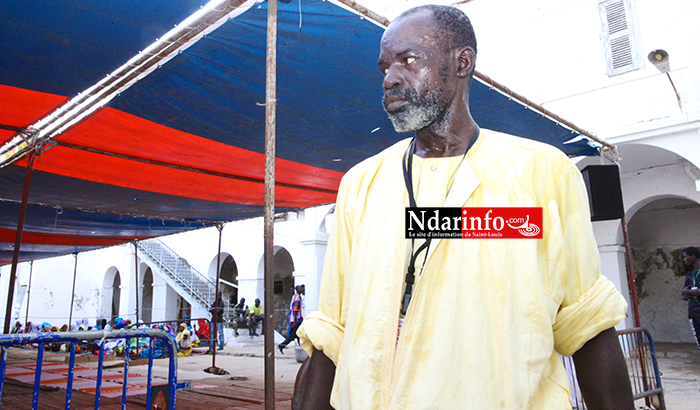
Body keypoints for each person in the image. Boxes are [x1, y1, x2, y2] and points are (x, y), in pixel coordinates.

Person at [294, 5, 633, 410]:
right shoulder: (361, 185)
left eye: (408, 59)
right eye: (384, 66)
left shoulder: (540, 173)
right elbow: (332, 329)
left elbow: (588, 325)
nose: (389, 78)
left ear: (462, 62)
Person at [682, 246, 700, 348]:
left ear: (692, 256)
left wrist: (688, 291)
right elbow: (684, 296)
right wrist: (688, 292)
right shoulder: (689, 275)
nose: (684, 260)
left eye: (685, 257)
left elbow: (686, 291)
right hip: (693, 313)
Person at [278, 285, 304, 354]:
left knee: (298, 334)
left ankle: (302, 348)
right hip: (296, 319)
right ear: (297, 289)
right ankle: (282, 345)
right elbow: (295, 309)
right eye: (300, 288)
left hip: (295, 318)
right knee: (293, 335)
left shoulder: (294, 296)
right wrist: (296, 320)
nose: (302, 289)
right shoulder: (297, 298)